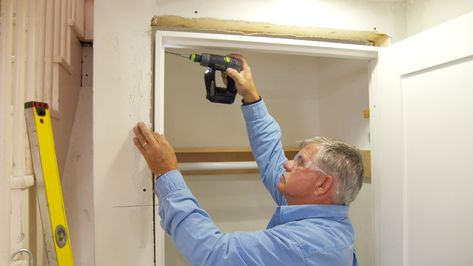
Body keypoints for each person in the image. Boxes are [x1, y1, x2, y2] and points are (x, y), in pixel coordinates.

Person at [133, 54, 364, 266]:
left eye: (300, 162)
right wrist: (251, 97)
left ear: (323, 184)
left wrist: (166, 172)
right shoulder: (321, 215)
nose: (287, 164)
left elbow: (213, 253)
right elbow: (272, 157)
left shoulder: (306, 244)